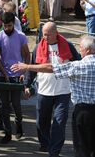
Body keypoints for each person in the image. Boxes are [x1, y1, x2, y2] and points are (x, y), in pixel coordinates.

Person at [13, 35, 95, 157]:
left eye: (80, 47)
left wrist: (27, 66)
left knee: (82, 148)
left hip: (83, 112)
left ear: (87, 50)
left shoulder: (77, 66)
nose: (79, 50)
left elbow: (51, 68)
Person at [25, 22, 80, 157]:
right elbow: (32, 67)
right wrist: (27, 85)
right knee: (41, 122)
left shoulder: (68, 46)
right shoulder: (38, 47)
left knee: (59, 122)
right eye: (44, 34)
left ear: (56, 33)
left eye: (48, 34)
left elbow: (78, 63)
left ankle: (54, 151)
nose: (46, 37)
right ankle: (45, 143)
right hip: (44, 90)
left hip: (63, 91)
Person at [0, 12, 30, 143]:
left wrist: (23, 71)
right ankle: (7, 132)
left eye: (9, 25)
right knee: (3, 105)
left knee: (16, 104)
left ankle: (18, 125)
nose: (7, 28)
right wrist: (4, 74)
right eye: (5, 26)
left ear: (13, 24)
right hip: (3, 75)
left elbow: (27, 55)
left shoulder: (21, 36)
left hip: (17, 74)